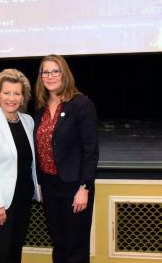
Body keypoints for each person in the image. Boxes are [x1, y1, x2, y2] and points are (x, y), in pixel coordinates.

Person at [34, 54, 99, 263]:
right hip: (49, 186)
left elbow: (91, 150)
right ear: (40, 76)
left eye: (56, 71)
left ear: (64, 74)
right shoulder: (39, 107)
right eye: (46, 72)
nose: (50, 76)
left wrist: (84, 188)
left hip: (74, 187)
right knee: (59, 243)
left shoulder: (81, 104)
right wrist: (41, 186)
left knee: (76, 248)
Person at [0, 68, 41, 263]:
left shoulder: (28, 121)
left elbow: (30, 162)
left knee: (15, 250)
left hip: (23, 198)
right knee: (0, 253)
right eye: (6, 92)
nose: (11, 98)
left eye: (16, 93)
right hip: (0, 203)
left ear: (23, 97)